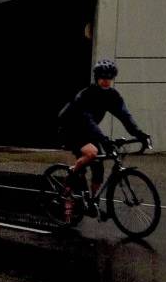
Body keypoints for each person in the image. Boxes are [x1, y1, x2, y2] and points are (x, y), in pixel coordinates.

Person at [57, 59, 150, 206]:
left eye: (109, 78)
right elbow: (88, 120)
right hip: (71, 128)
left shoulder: (113, 96)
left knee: (98, 168)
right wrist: (104, 139)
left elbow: (125, 116)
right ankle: (69, 181)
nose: (106, 81)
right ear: (97, 78)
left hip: (89, 132)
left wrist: (140, 134)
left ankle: (93, 201)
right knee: (92, 153)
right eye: (103, 78)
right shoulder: (87, 95)